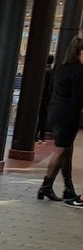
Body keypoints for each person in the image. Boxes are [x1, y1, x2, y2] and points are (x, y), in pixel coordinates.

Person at [40, 36, 82, 204]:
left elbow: (51, 89)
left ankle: (67, 187)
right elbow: (78, 97)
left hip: (55, 110)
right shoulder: (80, 71)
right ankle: (46, 184)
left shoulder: (60, 67)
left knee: (65, 149)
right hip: (69, 113)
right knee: (61, 150)